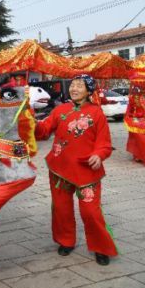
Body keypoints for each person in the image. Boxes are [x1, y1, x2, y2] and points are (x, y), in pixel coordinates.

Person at [35, 74, 117, 265]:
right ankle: (66, 241)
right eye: (72, 85)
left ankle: (101, 247)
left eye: (80, 86)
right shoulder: (60, 110)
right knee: (61, 209)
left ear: (89, 91)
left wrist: (99, 155)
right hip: (60, 168)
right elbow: (43, 131)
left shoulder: (97, 113)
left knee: (91, 212)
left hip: (87, 169)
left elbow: (104, 143)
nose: (74, 89)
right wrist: (30, 122)